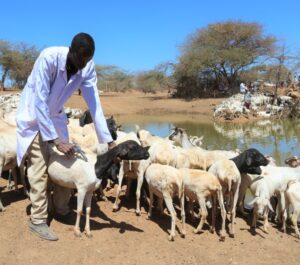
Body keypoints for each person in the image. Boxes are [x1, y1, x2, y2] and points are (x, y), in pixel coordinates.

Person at [16, 33, 116, 241]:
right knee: (39, 169)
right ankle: (38, 219)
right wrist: (55, 141)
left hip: (57, 118)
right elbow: (40, 101)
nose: (83, 64)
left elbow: (94, 102)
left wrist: (107, 138)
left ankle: (61, 209)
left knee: (68, 163)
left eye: (87, 59)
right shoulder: (48, 58)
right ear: (71, 50)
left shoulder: (87, 66)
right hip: (34, 117)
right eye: (80, 58)